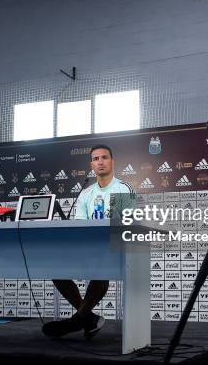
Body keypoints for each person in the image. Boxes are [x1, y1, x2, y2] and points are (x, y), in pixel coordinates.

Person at [42, 144, 135, 339]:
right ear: (91, 164)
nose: (100, 161)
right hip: (89, 248)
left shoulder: (123, 189)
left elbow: (129, 224)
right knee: (54, 268)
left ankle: (77, 320)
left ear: (112, 161)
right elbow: (81, 226)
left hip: (115, 247)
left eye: (104, 157)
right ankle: (87, 318)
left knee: (101, 265)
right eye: (96, 159)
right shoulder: (86, 193)